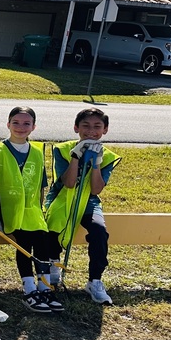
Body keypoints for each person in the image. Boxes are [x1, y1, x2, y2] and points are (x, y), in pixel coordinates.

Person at [44, 107, 120, 305]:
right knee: (52, 223)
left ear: (105, 130)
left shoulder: (108, 156)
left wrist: (96, 164)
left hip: (89, 201)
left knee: (99, 232)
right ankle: (54, 267)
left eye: (97, 126)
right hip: (62, 197)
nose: (91, 131)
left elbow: (95, 190)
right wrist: (75, 157)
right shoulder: (62, 149)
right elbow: (68, 183)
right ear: (76, 127)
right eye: (85, 126)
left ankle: (95, 281)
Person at [0, 107, 61, 314]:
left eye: (26, 123)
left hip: (31, 210)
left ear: (34, 127)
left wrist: (39, 210)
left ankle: (44, 288)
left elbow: (40, 184)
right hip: (7, 209)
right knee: (25, 242)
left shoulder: (37, 152)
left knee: (42, 241)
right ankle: (29, 289)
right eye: (16, 122)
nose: (21, 127)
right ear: (8, 124)